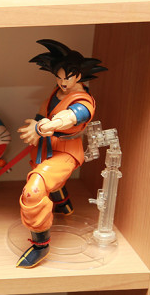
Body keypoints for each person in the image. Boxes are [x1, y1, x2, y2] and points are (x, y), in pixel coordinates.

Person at [16, 39, 107, 268]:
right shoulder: (56, 93)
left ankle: (41, 246)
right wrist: (36, 126)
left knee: (33, 192)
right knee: (47, 179)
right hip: (45, 148)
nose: (63, 82)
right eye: (59, 77)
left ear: (79, 75)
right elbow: (42, 114)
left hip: (65, 152)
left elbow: (71, 117)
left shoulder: (83, 101)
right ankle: (63, 203)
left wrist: (47, 126)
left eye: (68, 77)